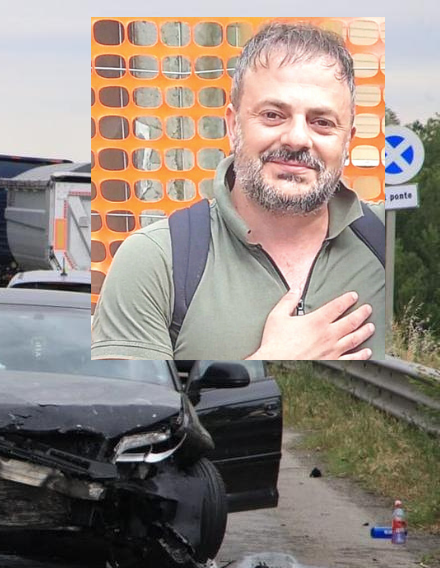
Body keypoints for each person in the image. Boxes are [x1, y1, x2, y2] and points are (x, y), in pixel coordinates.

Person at [91, 21, 385, 361]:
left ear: (348, 137)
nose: (297, 139)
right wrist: (271, 364)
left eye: (322, 122)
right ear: (233, 125)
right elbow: (139, 413)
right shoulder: (156, 262)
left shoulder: (393, 245)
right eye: (274, 115)